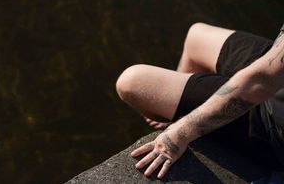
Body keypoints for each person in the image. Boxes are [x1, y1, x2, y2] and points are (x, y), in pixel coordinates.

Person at [116, 22, 284, 179]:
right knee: (196, 37)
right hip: (274, 71)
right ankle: (185, 106)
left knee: (132, 82)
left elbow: (259, 82)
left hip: (272, 125)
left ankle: (188, 111)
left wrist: (180, 133)